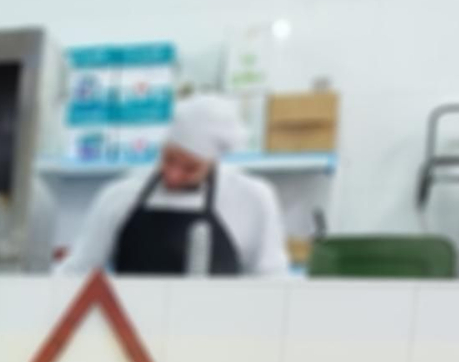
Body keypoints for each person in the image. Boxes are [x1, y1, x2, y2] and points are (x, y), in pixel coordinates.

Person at [57, 94, 290, 277]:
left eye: (190, 168)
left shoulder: (251, 198)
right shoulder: (120, 195)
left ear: (213, 161)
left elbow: (271, 283)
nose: (174, 175)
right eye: (168, 159)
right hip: (128, 332)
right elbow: (76, 272)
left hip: (216, 333)